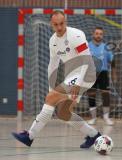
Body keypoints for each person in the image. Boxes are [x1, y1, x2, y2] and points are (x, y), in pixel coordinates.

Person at [12, 10, 101, 148]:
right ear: (51, 24)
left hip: (86, 73)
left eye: (62, 24)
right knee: (63, 113)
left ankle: (29, 136)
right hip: (72, 74)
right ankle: (94, 135)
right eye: (56, 25)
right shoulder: (53, 41)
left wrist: (78, 83)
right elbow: (52, 65)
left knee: (51, 99)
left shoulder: (76, 35)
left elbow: (86, 59)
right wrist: (51, 88)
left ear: (65, 22)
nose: (59, 27)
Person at [87, 27, 115, 125]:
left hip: (103, 73)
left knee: (106, 95)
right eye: (97, 33)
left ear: (102, 36)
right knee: (91, 95)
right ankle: (93, 118)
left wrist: (114, 74)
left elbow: (112, 61)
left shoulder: (106, 47)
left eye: (100, 34)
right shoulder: (87, 46)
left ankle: (106, 118)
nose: (98, 35)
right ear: (93, 34)